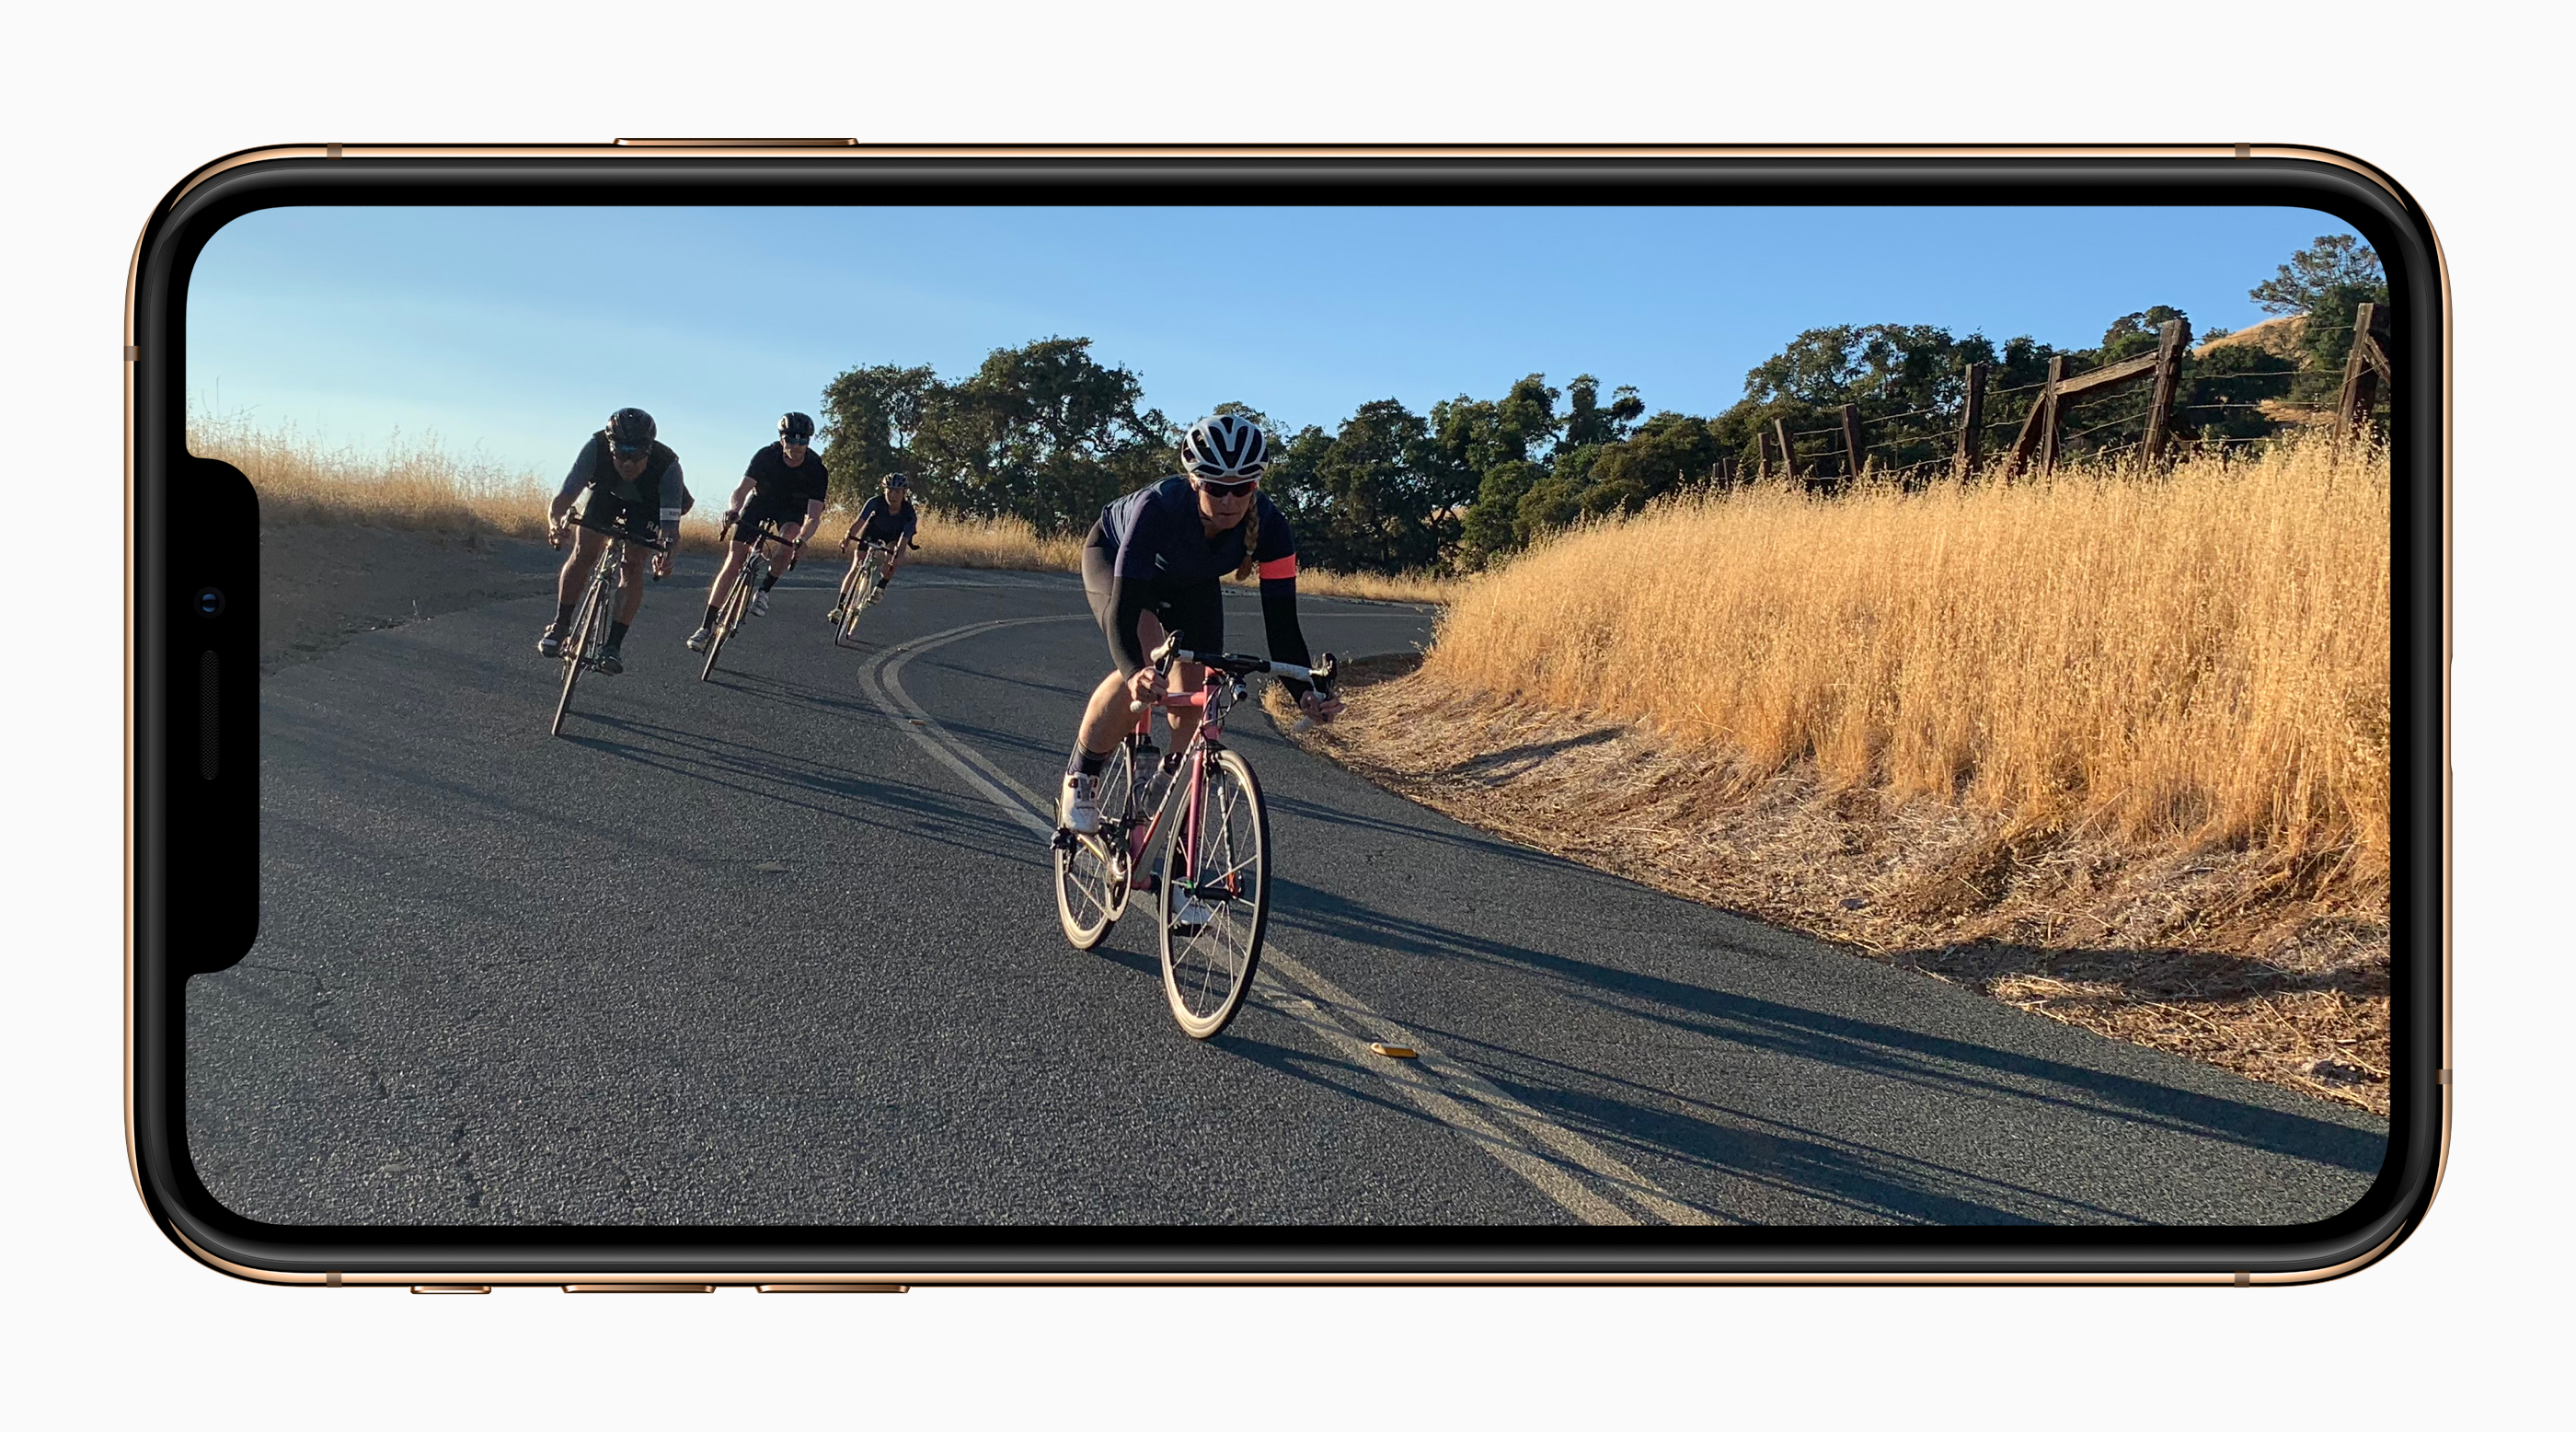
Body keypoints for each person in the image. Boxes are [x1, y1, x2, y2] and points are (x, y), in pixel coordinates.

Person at [1058, 412, 1344, 837]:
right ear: (1194, 482)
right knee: (1152, 661)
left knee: (1197, 683)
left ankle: (1171, 771)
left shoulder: (1274, 528)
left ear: (1256, 485)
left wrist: (1306, 693)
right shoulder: (1157, 508)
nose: (1229, 501)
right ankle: (1082, 775)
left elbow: (1282, 624)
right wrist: (1135, 672)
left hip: (1192, 580)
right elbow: (1125, 609)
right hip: (1119, 564)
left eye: (1241, 488)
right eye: (1215, 487)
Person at [539, 407, 684, 675]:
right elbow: (563, 499)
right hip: (606, 495)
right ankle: (560, 625)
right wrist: (555, 524)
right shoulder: (595, 448)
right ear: (611, 447)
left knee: (633, 564)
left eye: (636, 455)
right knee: (584, 554)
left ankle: (613, 646)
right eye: (620, 454)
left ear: (649, 450)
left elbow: (671, 531)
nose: (627, 463)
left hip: (648, 506)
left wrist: (667, 555)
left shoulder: (668, 467)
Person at [688, 412, 830, 652]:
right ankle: (705, 627)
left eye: (803, 441)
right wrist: (733, 509)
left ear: (809, 441)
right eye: (791, 440)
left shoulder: (817, 469)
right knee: (734, 562)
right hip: (761, 502)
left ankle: (764, 590)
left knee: (788, 539)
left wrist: (803, 539)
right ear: (781, 439)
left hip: (791, 511)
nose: (797, 446)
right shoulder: (766, 456)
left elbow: (813, 515)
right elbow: (741, 490)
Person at [826, 472, 923, 625]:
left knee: (893, 558)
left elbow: (903, 541)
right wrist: (847, 538)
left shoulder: (909, 512)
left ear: (904, 493)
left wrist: (895, 559)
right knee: (857, 564)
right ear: (884, 490)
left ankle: (881, 586)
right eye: (889, 491)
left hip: (895, 535)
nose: (893, 495)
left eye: (897, 492)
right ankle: (839, 607)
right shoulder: (875, 502)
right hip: (873, 530)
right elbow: (859, 522)